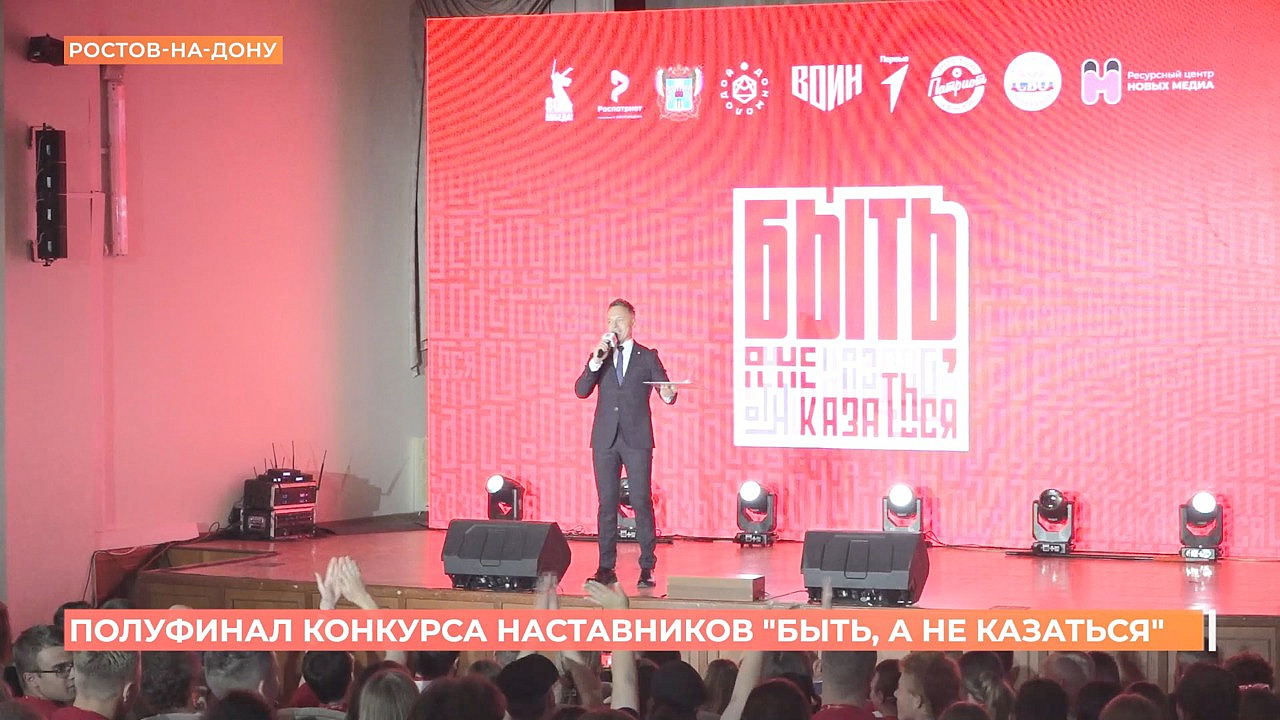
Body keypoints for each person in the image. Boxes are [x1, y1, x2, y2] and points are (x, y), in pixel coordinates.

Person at [575, 298, 678, 589]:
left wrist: (668, 393)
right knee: (607, 504)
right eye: (609, 321)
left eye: (619, 320)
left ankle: (647, 566)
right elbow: (581, 390)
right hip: (605, 439)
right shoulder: (601, 356)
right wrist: (596, 361)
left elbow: (665, 391)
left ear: (633, 321)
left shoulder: (647, 357)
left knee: (641, 501)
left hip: (636, 438)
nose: (613, 326)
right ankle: (605, 567)